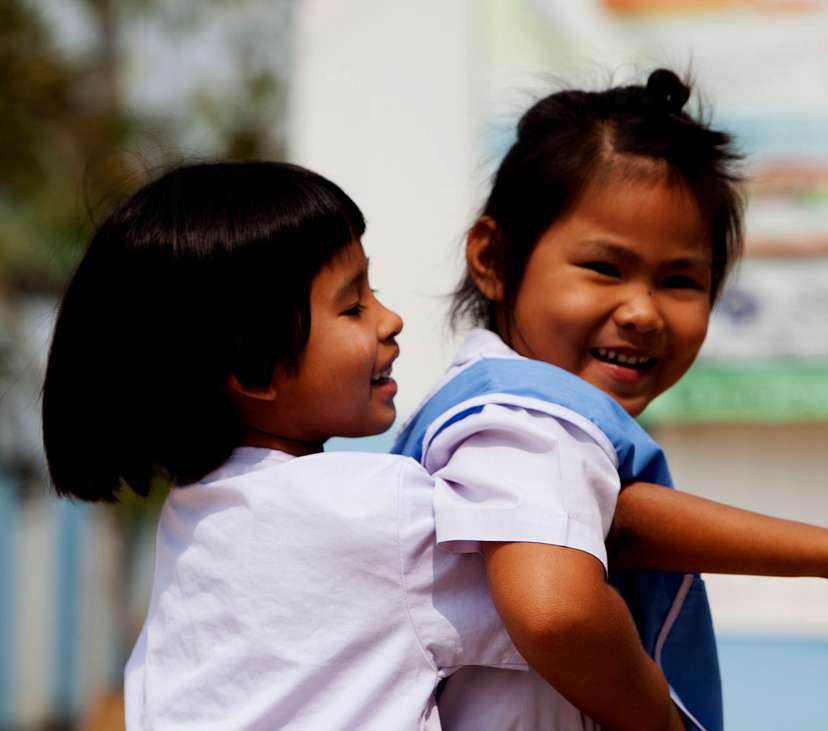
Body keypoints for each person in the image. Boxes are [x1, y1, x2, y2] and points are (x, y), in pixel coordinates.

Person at [393, 69, 828, 731]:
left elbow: (625, 520)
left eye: (680, 279)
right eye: (604, 268)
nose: (643, 311)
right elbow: (555, 610)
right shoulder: (529, 418)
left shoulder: (509, 415)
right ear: (494, 257)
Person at [41, 161, 530, 730]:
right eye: (352, 306)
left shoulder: (195, 518)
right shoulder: (373, 512)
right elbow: (553, 571)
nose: (390, 320)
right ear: (254, 368)